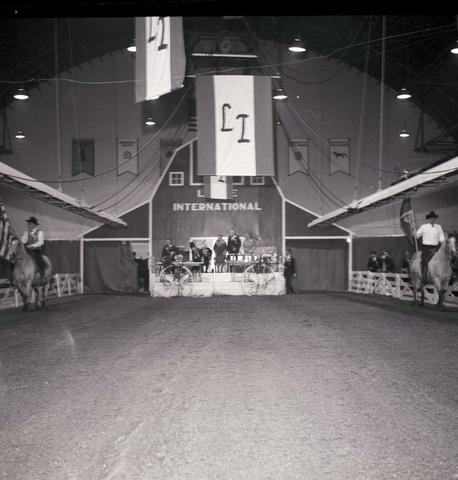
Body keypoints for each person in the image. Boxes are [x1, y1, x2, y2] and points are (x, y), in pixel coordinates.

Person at [415, 210, 445, 283]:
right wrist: (414, 231)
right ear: (428, 219)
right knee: (424, 260)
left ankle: (446, 274)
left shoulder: (439, 227)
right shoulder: (423, 227)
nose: (432, 219)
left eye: (434, 218)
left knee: (445, 258)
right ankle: (424, 276)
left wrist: (443, 243)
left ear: (435, 219)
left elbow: (441, 237)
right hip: (426, 247)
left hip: (436, 247)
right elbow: (417, 235)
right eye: (431, 218)